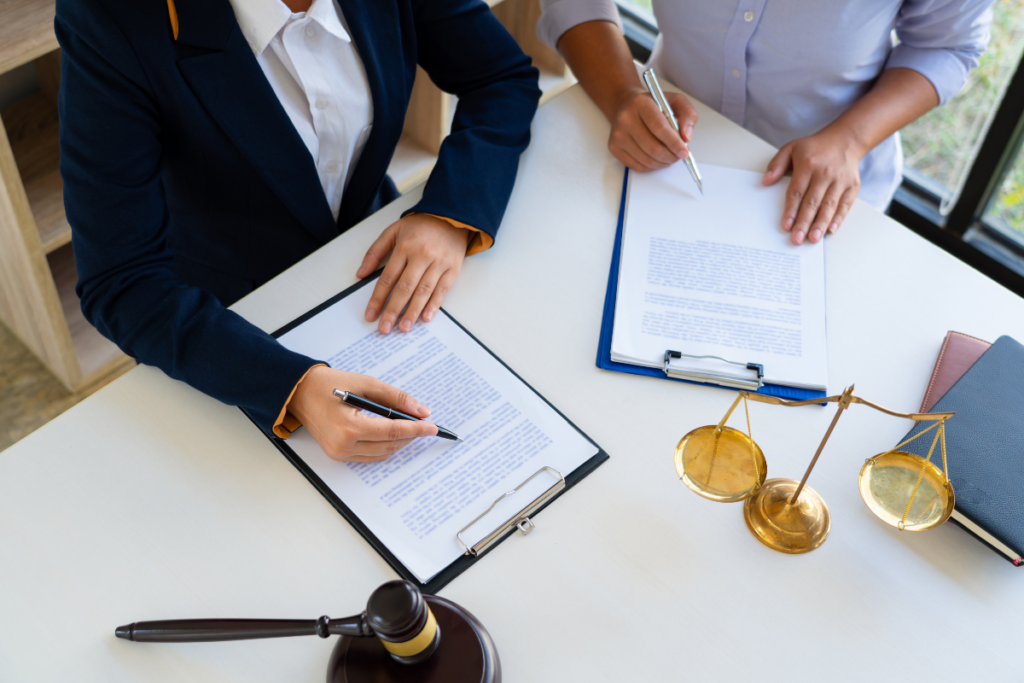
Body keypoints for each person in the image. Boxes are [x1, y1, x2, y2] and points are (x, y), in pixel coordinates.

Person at [56, 0, 540, 461]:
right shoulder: (108, 16)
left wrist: (448, 214)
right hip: (229, 323)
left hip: (375, 263)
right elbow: (120, 281)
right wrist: (292, 387)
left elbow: (500, 79)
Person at [538, 0, 993, 245]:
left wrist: (850, 140)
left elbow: (947, 46)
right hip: (658, 153)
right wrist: (621, 92)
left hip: (821, 191)